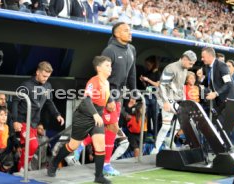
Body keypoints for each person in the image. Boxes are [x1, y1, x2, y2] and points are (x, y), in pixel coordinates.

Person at [74, 22, 136, 176]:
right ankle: (104, 162)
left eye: (130, 30)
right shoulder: (110, 50)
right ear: (116, 34)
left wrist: (133, 92)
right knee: (112, 127)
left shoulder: (132, 49)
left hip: (119, 95)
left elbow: (132, 72)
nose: (130, 33)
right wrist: (108, 99)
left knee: (110, 128)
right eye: (126, 30)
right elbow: (100, 74)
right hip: (107, 93)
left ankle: (83, 145)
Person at [47, 56, 112, 184]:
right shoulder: (93, 81)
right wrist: (94, 114)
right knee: (73, 146)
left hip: (97, 117)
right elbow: (87, 99)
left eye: (110, 65)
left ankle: (98, 176)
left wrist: (109, 103)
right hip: (83, 116)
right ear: (98, 68)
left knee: (100, 145)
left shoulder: (107, 82)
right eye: (107, 65)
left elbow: (103, 98)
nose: (110, 68)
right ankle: (54, 163)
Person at [12, 61, 64, 172]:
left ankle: (22, 167)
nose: (46, 79)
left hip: (34, 123)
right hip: (23, 121)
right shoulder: (26, 85)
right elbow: (15, 102)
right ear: (37, 72)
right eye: (44, 76)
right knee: (33, 145)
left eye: (48, 77)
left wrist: (57, 115)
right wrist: (15, 121)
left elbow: (49, 102)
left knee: (30, 147)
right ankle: (22, 168)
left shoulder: (48, 86)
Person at [155, 50, 197, 154]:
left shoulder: (185, 69)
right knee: (166, 126)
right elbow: (162, 85)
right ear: (185, 59)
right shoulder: (171, 68)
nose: (191, 66)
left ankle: (168, 140)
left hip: (174, 99)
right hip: (164, 98)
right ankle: (156, 149)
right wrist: (165, 102)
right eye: (190, 63)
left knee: (183, 117)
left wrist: (182, 100)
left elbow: (180, 87)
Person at [139, 55, 161, 139]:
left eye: (148, 64)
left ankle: (156, 136)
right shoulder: (147, 73)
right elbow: (146, 86)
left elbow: (157, 84)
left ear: (153, 64)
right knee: (146, 116)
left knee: (155, 117)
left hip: (155, 97)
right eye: (146, 65)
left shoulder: (158, 73)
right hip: (147, 97)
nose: (147, 66)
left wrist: (147, 80)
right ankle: (146, 134)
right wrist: (143, 81)